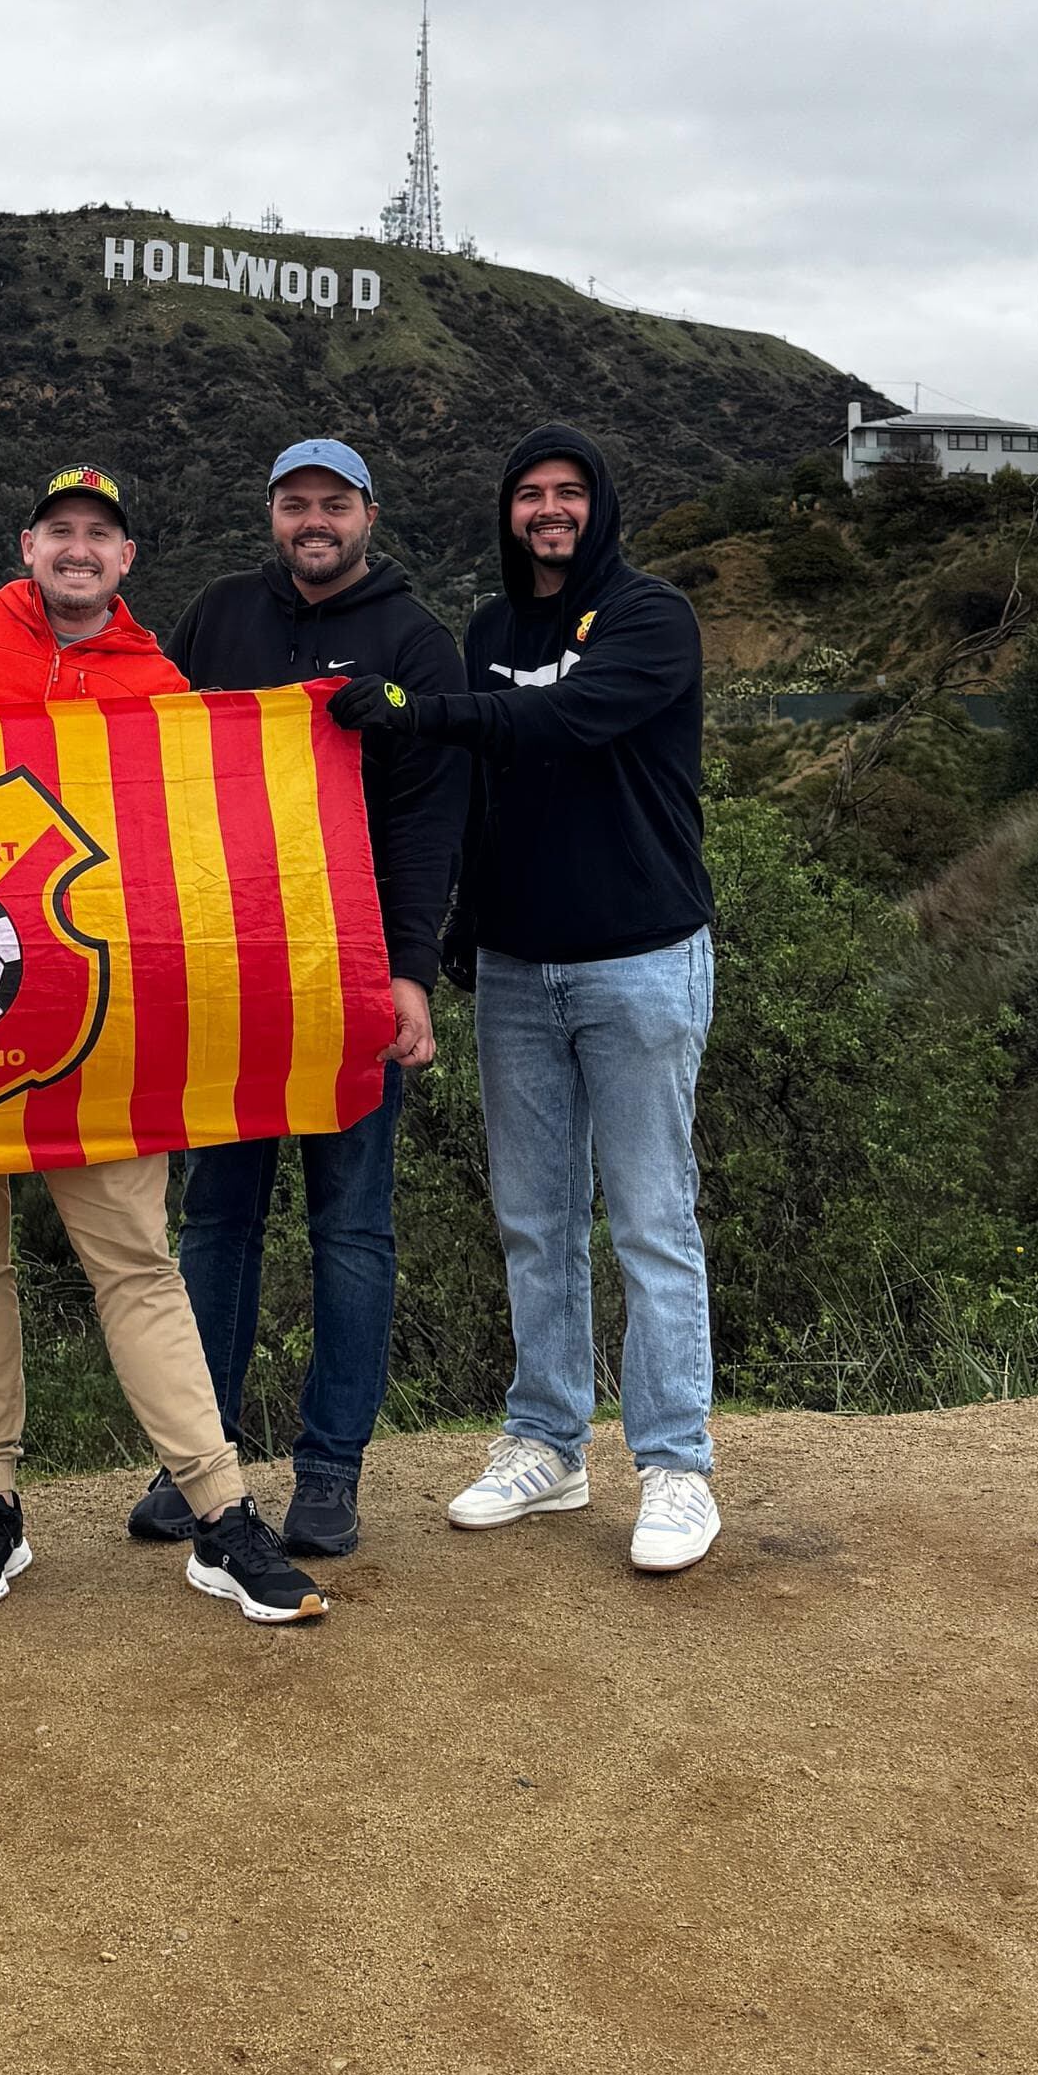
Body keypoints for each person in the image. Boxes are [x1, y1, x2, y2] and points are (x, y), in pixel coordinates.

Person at [0, 466, 329, 1626]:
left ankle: (220, 1512)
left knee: (136, 1262)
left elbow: (185, 838)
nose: (76, 548)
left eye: (98, 535)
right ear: (27, 542)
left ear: (126, 559)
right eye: (59, 529)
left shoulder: (159, 680)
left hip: (89, 1022)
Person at [334, 422, 719, 1575]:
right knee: (534, 1217)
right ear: (507, 512)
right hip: (513, 964)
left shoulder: (654, 615)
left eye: (568, 492)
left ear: (601, 504)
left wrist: (417, 705)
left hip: (641, 956)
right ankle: (549, 1442)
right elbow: (492, 788)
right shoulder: (494, 629)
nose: (549, 510)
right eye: (529, 495)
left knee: (652, 1218)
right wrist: (459, 926)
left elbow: (565, 721)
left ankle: (677, 1463)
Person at [126, 436, 464, 1560]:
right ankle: (201, 1467)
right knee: (215, 1223)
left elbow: (426, 823)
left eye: (333, 503)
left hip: (352, 967)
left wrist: (410, 971)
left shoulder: (420, 641)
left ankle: (330, 1473)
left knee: (350, 1227)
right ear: (271, 513)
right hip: (225, 973)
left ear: (370, 511)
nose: (312, 521)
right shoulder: (218, 613)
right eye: (293, 503)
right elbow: (146, 763)